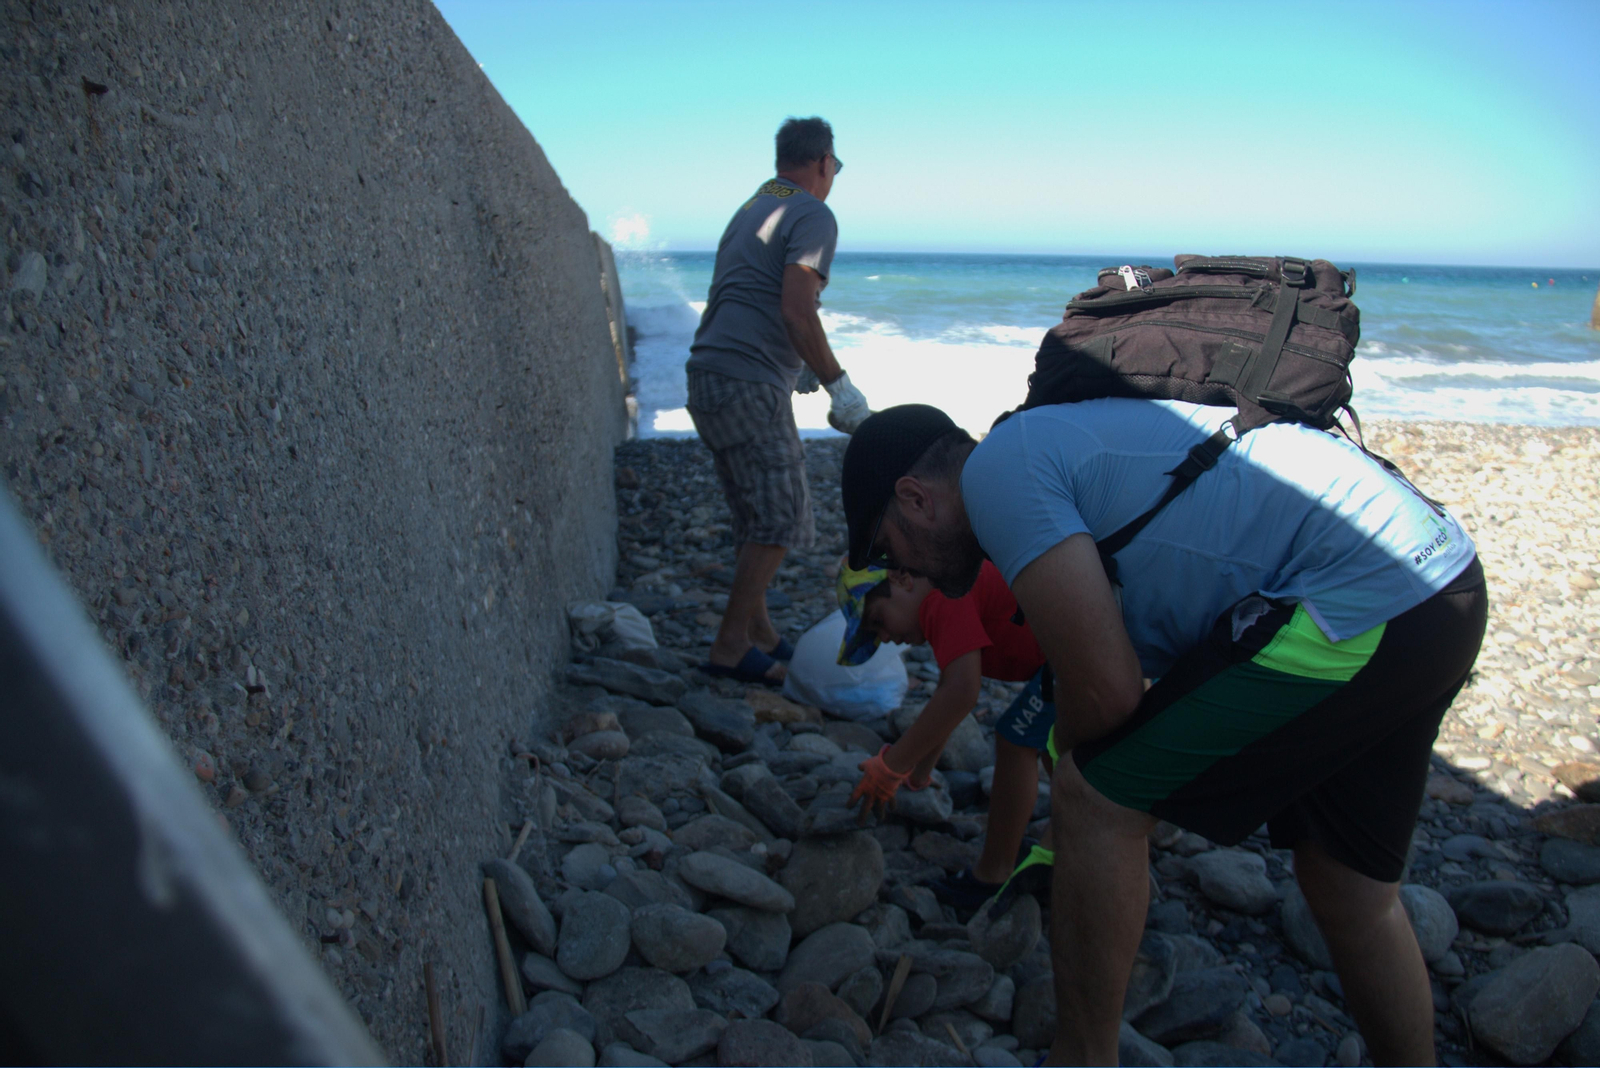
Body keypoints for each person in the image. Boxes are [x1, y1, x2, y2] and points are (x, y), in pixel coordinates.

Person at [840, 401, 1485, 1066]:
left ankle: (1081, 1057)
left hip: (1360, 593)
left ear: (915, 498)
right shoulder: (1044, 445)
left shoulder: (997, 477)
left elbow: (1108, 690)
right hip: (1440, 582)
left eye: (887, 547)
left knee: (1095, 803)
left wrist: (1071, 802)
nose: (901, 567)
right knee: (1349, 891)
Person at [685, 115, 871, 684]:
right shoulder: (813, 213)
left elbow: (750, 294)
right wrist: (839, 384)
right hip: (744, 381)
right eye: (835, 166)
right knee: (783, 518)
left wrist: (795, 367)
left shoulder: (754, 208)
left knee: (753, 514)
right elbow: (796, 307)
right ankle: (731, 645)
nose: (834, 175)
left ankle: (760, 631)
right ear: (822, 162)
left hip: (711, 373)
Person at [838, 559, 1058, 909]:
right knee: (1055, 749)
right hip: (1068, 646)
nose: (885, 638)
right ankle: (1059, 854)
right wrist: (919, 773)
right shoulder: (939, 591)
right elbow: (949, 690)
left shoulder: (943, 593)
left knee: (1017, 739)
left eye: (878, 620)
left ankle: (993, 875)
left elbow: (961, 692)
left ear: (902, 577)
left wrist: (890, 768)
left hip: (1069, 648)